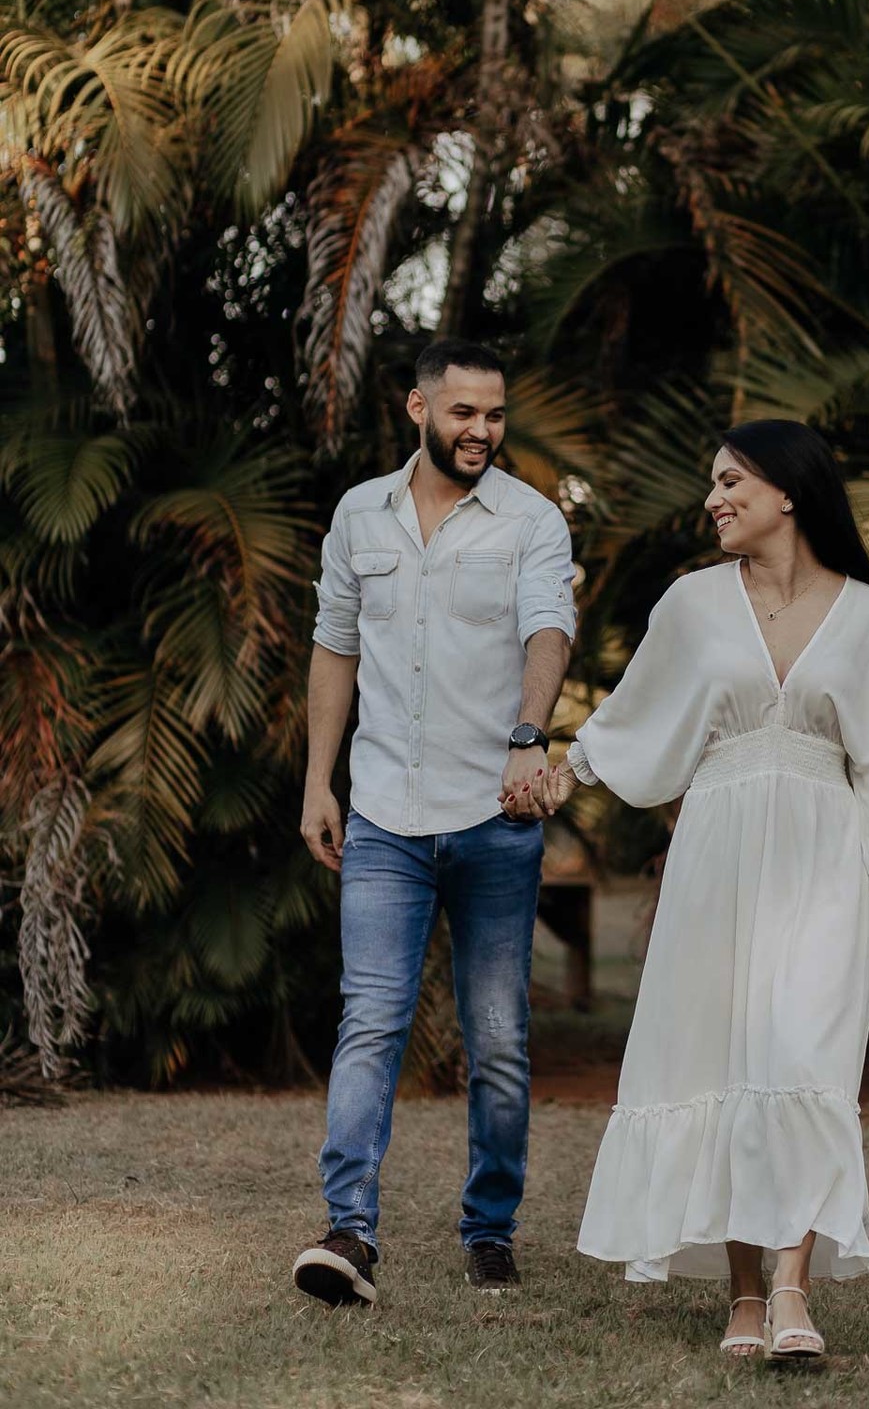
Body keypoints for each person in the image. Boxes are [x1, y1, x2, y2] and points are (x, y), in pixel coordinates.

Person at [518, 419, 869, 1363]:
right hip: (718, 855)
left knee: (804, 1059)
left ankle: (795, 1290)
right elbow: (637, 716)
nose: (713, 499)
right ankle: (746, 1298)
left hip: (823, 859)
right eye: (712, 484)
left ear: (788, 492)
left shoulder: (866, 615)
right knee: (723, 1064)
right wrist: (569, 771)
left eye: (730, 481)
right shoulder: (692, 604)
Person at [294, 339, 576, 1307]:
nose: (482, 432)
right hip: (382, 816)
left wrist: (529, 735)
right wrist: (317, 781)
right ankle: (349, 1232)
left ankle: (489, 1230)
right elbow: (334, 651)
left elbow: (550, 628)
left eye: (495, 415)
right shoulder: (358, 518)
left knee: (497, 1037)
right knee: (370, 1019)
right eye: (463, 413)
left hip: (494, 821)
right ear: (417, 407)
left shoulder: (531, 522)